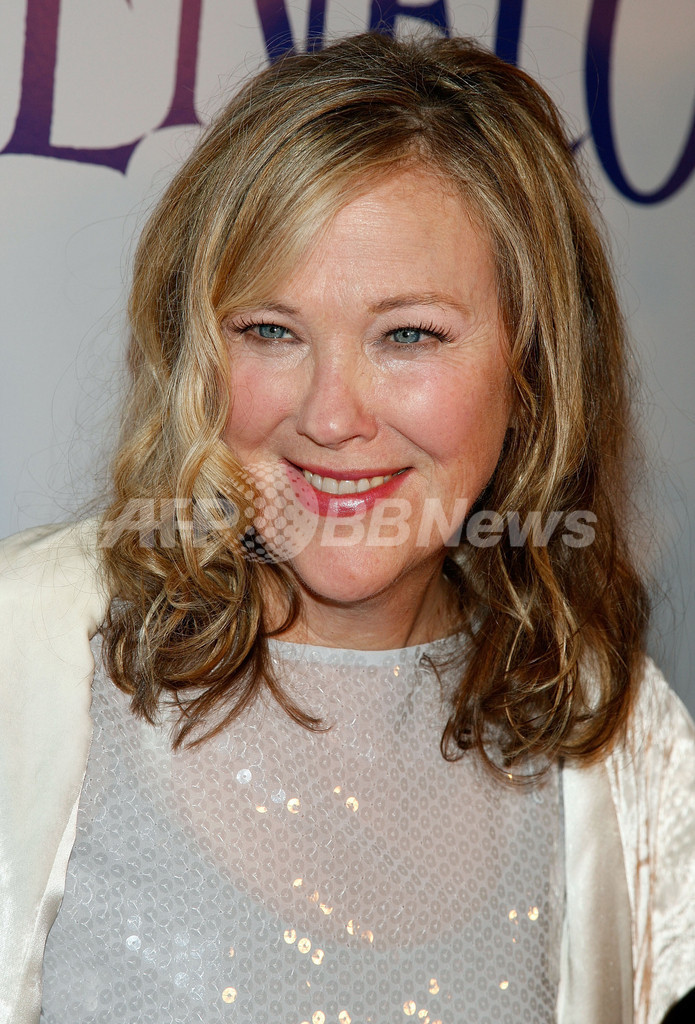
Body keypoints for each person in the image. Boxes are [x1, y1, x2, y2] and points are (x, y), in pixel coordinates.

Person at [0, 30, 693, 1024]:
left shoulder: (611, 732)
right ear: (196, 356)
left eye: (407, 334)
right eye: (269, 331)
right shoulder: (23, 654)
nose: (330, 416)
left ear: (531, 369)